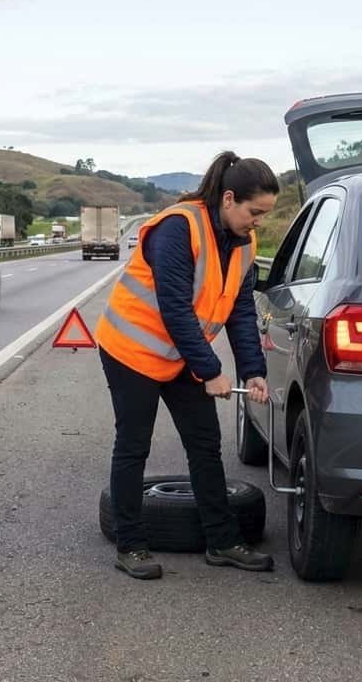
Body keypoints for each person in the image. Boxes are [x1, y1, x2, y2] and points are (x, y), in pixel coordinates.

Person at [95, 150, 278, 580]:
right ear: (229, 199)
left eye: (265, 214)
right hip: (132, 350)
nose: (259, 222)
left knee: (204, 444)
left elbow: (240, 312)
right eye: (254, 212)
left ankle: (223, 542)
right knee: (133, 445)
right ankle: (131, 545)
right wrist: (211, 371)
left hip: (181, 354)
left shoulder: (244, 243)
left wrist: (254, 370)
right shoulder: (178, 227)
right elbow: (175, 308)